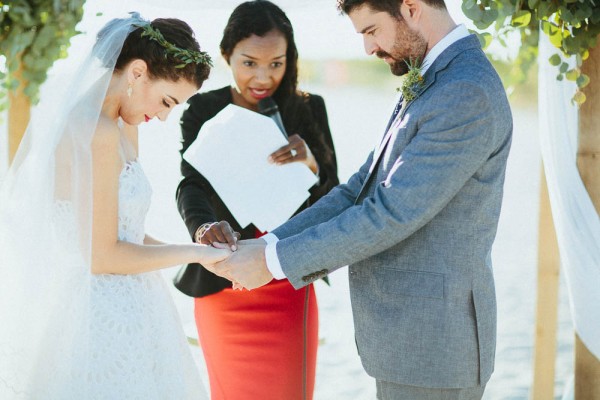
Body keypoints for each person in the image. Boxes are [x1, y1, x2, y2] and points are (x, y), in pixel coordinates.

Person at [209, 0, 513, 399]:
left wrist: (270, 264)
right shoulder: (436, 79)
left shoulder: (464, 91)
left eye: (371, 31)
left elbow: (389, 213)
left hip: (435, 346)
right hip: (409, 342)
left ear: (410, 7)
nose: (368, 49)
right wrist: (268, 243)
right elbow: (358, 190)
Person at [0, 13, 229, 399]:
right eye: (166, 101)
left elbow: (126, 233)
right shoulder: (97, 133)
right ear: (137, 72)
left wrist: (203, 253)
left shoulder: (123, 128)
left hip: (137, 305)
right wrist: (192, 252)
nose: (163, 116)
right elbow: (102, 256)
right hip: (100, 316)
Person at [175, 1, 338, 399]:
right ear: (227, 54)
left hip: (287, 278)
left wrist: (313, 164)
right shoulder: (202, 108)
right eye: (249, 63)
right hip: (222, 279)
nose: (264, 77)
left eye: (277, 64)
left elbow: (335, 197)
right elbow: (190, 185)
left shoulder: (308, 108)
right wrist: (201, 229)